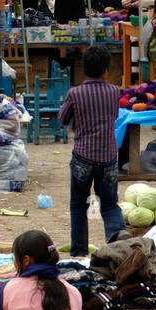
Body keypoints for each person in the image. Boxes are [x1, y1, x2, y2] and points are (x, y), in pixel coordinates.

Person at [58, 45, 127, 257]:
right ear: (106, 70)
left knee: (78, 205)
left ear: (83, 68)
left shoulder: (75, 93)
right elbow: (114, 115)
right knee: (110, 205)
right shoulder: (114, 92)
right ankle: (118, 244)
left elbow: (62, 119)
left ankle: (79, 251)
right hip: (108, 157)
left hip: (83, 157)